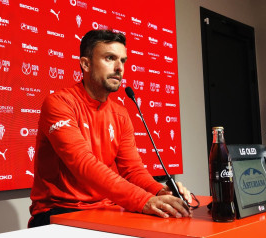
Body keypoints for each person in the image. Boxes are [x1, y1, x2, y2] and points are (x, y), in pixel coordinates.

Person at [29, 29, 193, 228]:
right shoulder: (59, 103)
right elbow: (83, 165)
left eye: (123, 61)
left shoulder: (120, 113)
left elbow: (132, 170)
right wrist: (143, 200)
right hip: (59, 211)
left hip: (105, 209)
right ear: (85, 64)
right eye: (110, 58)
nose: (119, 68)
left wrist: (160, 192)